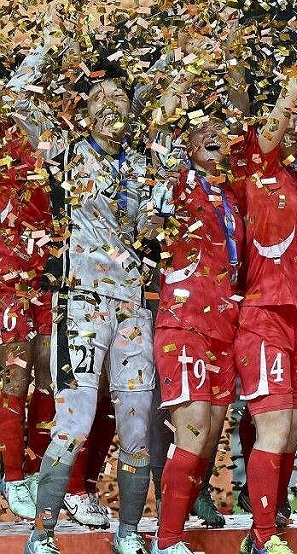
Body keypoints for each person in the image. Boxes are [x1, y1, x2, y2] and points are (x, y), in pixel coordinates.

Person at [11, 32, 164, 554]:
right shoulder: (68, 153)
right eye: (100, 99)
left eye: (119, 98)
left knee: (137, 425)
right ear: (85, 112)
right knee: (73, 420)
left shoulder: (145, 165)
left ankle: (128, 535)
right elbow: (17, 97)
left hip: (133, 308)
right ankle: (42, 536)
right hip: (82, 303)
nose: (110, 105)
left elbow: (151, 229)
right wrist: (50, 40)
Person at [231, 21, 297, 554]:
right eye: (287, 119)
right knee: (274, 428)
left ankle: (268, 519)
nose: (294, 127)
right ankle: (262, 536)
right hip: (264, 314)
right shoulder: (257, 165)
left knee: (294, 430)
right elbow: (273, 125)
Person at [149, 101, 244, 554]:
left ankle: (180, 520)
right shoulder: (179, 182)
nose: (213, 134)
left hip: (224, 328)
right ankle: (167, 541)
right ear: (186, 143)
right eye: (202, 128)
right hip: (184, 322)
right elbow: (161, 130)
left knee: (208, 435)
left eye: (220, 128)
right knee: (192, 430)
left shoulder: (232, 198)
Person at [0, 120, 48, 520]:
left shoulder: (53, 126)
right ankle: (14, 476)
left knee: (47, 373)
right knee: (14, 377)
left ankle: (31, 472)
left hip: (45, 275)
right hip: (6, 277)